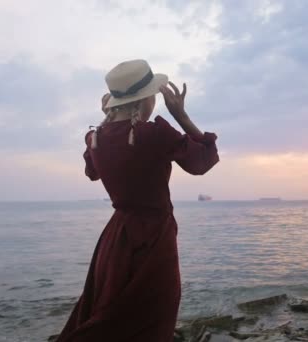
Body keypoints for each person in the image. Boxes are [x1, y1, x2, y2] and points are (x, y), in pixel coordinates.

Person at [56, 59, 219, 341]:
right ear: (146, 99)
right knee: (154, 312)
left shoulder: (95, 137)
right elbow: (202, 162)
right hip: (154, 236)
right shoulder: (154, 133)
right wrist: (181, 116)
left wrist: (110, 118)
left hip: (116, 238)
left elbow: (92, 172)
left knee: (113, 309)